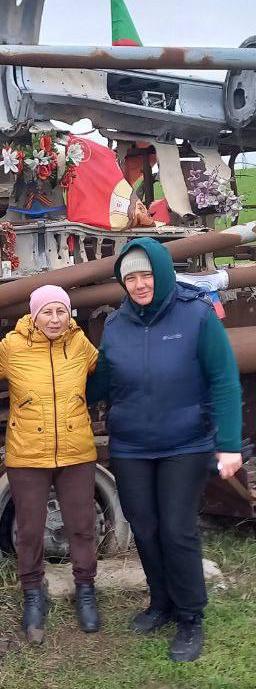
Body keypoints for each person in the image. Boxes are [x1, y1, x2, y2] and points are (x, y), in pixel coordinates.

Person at [87, 238, 243, 663]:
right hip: (132, 445)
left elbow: (225, 379)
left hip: (185, 443)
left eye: (146, 275)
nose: (139, 284)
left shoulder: (196, 314)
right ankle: (161, 603)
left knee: (176, 529)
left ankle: (191, 616)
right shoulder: (117, 324)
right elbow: (101, 381)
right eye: (130, 277)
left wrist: (229, 444)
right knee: (145, 527)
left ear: (163, 272)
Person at [0, 285, 101, 644]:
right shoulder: (12, 347)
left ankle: (86, 589)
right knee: (29, 529)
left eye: (61, 312)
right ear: (34, 315)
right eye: (47, 312)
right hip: (27, 453)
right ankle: (33, 595)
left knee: (82, 526)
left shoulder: (81, 345)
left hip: (76, 452)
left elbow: (102, 376)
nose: (55, 320)